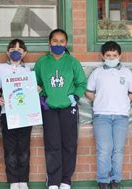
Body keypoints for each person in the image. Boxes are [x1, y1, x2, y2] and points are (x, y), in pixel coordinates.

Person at [34, 29, 87, 189]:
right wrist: (42, 96)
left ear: (66, 43)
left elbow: (81, 83)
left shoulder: (72, 62)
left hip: (67, 108)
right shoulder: (42, 63)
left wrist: (75, 97)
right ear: (49, 43)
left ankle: (65, 180)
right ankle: (53, 181)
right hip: (49, 109)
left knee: (69, 144)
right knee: (52, 144)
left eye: (61, 41)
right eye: (55, 41)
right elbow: (35, 84)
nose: (58, 44)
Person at [85, 41, 132, 189]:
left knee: (118, 149)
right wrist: (99, 101)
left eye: (114, 55)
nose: (111, 58)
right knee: (104, 149)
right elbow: (88, 91)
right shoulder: (97, 73)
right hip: (102, 116)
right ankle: (103, 181)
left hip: (121, 117)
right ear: (102, 56)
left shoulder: (127, 73)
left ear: (120, 55)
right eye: (108, 55)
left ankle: (115, 180)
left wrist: (125, 102)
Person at [0, 39, 32, 189]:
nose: (16, 51)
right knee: (10, 149)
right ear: (7, 52)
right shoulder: (1, 69)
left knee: (23, 148)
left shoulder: (27, 70)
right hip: (7, 113)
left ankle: (23, 180)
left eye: (20, 49)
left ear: (25, 53)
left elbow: (29, 91)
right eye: (13, 49)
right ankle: (14, 181)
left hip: (24, 114)